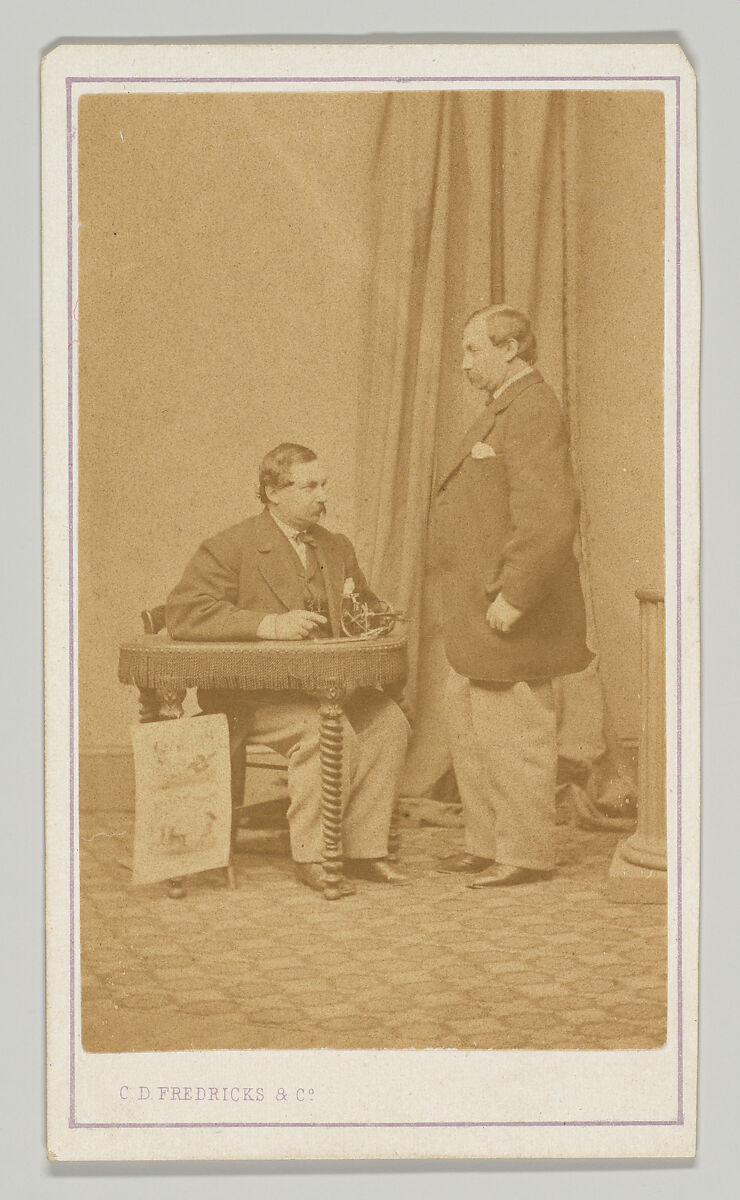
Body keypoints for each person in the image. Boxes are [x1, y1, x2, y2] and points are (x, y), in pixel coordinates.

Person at [166, 443, 410, 894]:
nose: (322, 496)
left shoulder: (335, 547)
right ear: (272, 492)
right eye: (309, 486)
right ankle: (313, 855)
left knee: (388, 721)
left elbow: (366, 606)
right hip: (253, 698)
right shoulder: (231, 546)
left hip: (325, 688)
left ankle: (362, 849)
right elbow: (185, 612)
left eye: (324, 485)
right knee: (326, 730)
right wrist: (269, 625)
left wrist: (379, 617)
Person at [433, 306, 592, 887]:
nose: (464, 363)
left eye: (474, 349)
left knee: (514, 733)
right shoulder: (504, 406)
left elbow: (549, 518)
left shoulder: (533, 408)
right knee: (473, 725)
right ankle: (487, 843)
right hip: (478, 610)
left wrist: (516, 597)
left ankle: (524, 853)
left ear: (511, 349)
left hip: (510, 609)